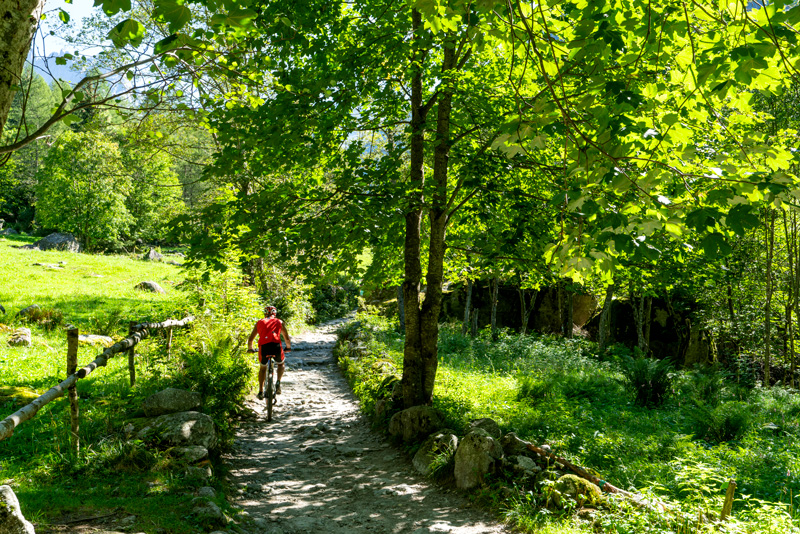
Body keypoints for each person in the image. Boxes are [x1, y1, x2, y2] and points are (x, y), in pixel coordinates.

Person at [247, 305, 292, 399]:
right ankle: (278, 382)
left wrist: (250, 349)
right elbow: (286, 338)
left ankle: (260, 391)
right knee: (281, 364)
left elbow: (251, 339)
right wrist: (288, 348)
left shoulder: (259, 322)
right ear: (274, 313)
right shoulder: (279, 322)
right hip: (276, 346)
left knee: (263, 368)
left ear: (265, 313)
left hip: (264, 347)